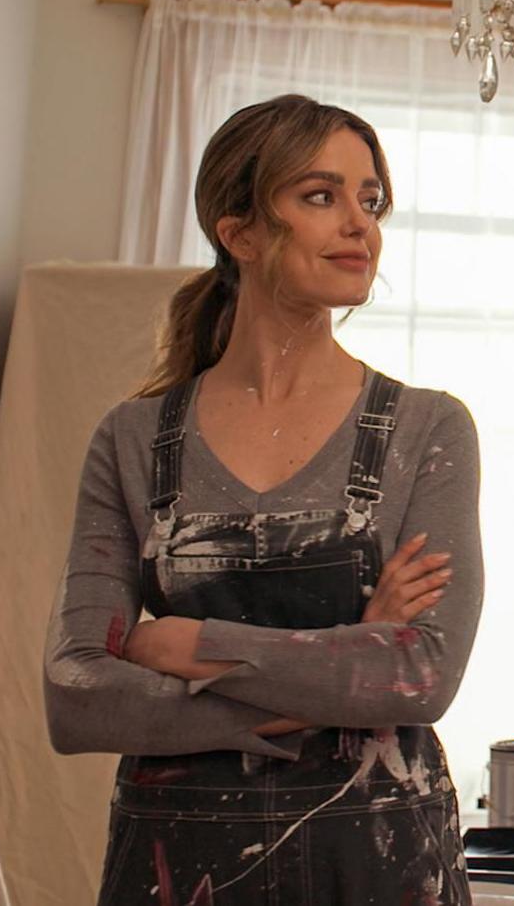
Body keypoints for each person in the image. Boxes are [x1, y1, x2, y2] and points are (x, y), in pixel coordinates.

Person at [43, 95, 481, 905]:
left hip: (377, 860)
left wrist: (190, 645)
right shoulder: (132, 438)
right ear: (238, 231)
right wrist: (347, 662)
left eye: (370, 199)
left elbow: (422, 674)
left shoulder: (428, 428)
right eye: (321, 195)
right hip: (176, 863)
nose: (360, 224)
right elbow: (77, 697)